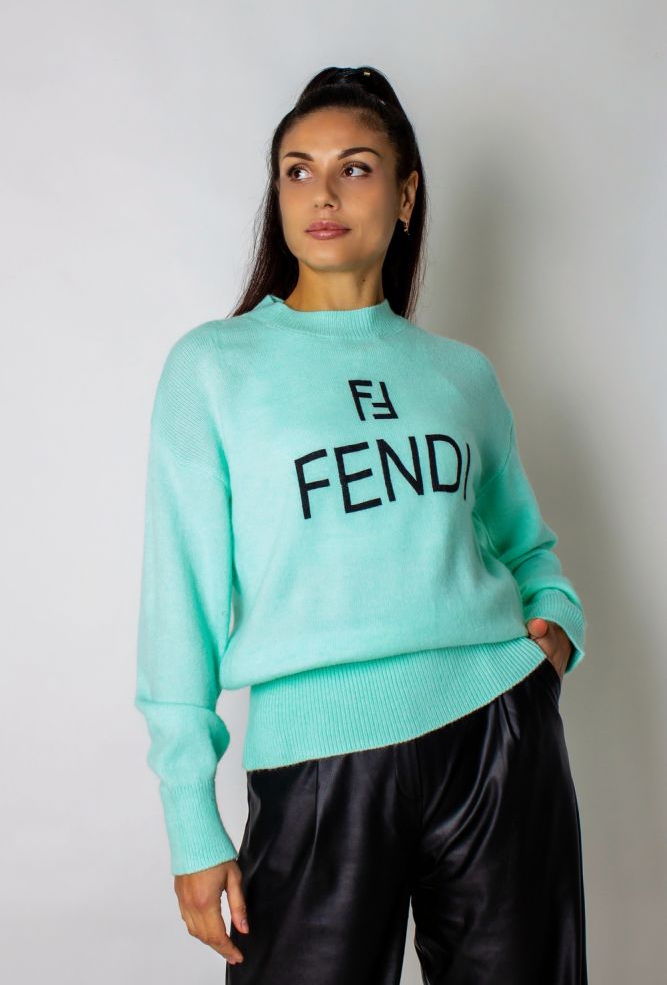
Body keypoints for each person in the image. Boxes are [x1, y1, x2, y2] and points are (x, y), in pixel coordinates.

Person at [135, 65, 588, 984]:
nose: (323, 194)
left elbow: (524, 543)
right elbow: (177, 600)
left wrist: (557, 625)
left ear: (405, 194)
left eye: (355, 167)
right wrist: (190, 816)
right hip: (317, 759)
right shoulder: (214, 368)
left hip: (496, 737)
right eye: (297, 171)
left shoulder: (459, 373)